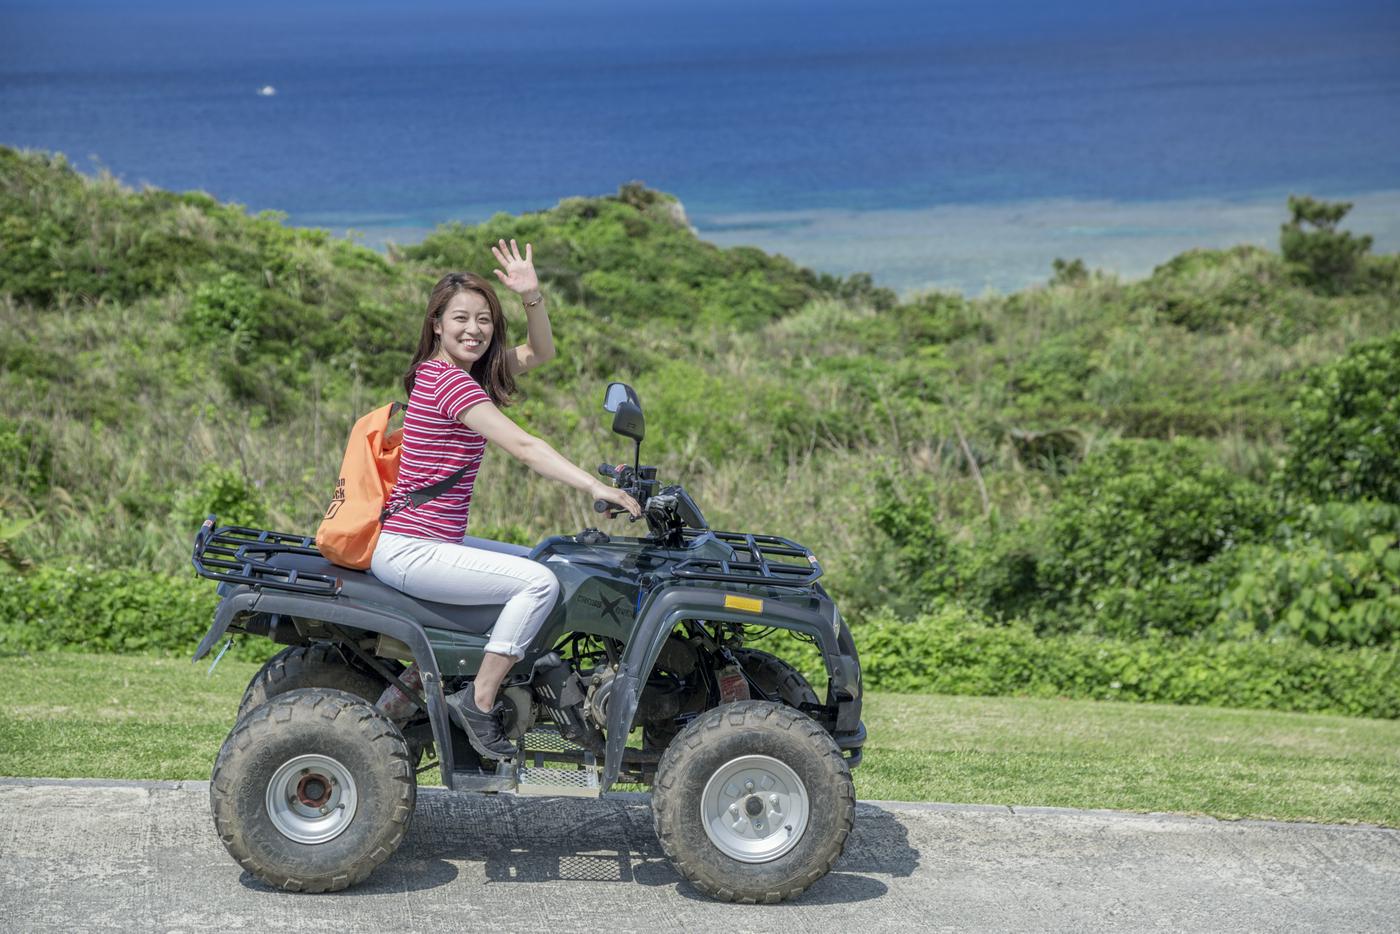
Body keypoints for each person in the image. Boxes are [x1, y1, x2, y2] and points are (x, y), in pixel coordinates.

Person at [370, 240, 641, 760]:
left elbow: (541, 353)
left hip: (428, 541)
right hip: (411, 549)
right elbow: (523, 445)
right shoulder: (446, 381)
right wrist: (595, 486)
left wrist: (532, 296)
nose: (474, 329)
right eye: (460, 319)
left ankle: (530, 683)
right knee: (538, 584)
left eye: (485, 320)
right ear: (436, 324)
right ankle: (479, 700)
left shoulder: (467, 375)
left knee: (552, 564)